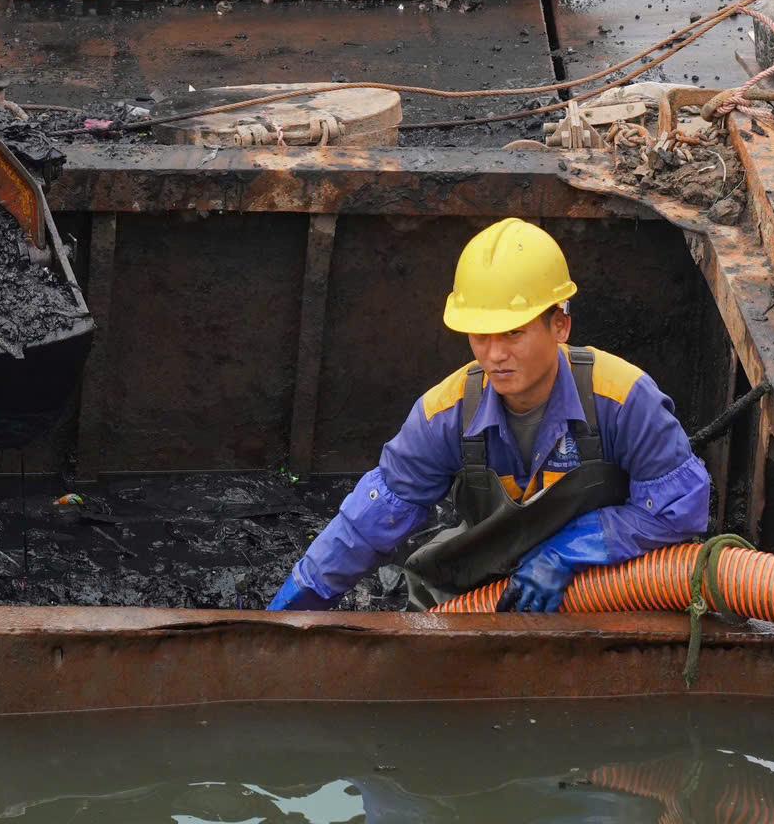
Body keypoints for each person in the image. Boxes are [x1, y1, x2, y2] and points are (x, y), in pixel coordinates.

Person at [268, 217, 712, 613]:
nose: (495, 355)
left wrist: (571, 552)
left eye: (514, 333)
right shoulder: (445, 413)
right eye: (480, 336)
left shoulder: (622, 400)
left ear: (560, 325)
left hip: (607, 586)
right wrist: (285, 613)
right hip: (483, 591)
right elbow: (370, 522)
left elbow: (682, 512)